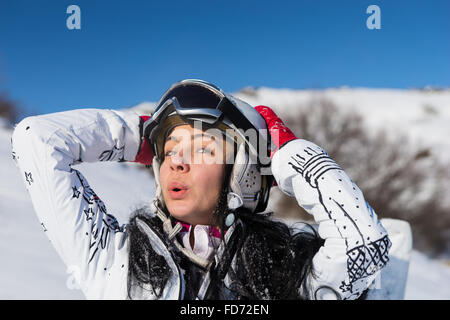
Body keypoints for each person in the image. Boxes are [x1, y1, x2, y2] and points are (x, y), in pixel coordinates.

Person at [11, 79, 391, 300]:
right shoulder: (114, 260)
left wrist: (288, 153)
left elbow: (363, 246)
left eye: (203, 150)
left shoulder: (287, 273)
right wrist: (140, 137)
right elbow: (37, 141)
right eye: (170, 149)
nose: (176, 161)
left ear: (243, 172)